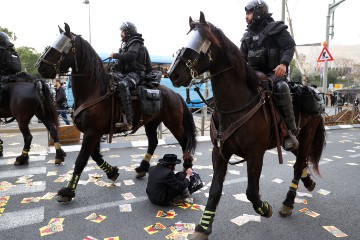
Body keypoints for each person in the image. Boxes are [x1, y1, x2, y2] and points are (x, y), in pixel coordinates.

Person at [240, 0, 298, 151]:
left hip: (274, 74)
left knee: (281, 87)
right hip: (254, 74)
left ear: (258, 12)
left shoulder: (276, 28)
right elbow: (241, 56)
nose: (246, 16)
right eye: (246, 13)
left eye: (249, 13)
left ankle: (289, 132)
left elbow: (289, 46)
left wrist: (283, 64)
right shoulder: (247, 35)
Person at [110, 22, 152, 131]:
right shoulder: (127, 45)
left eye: (123, 32)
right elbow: (123, 64)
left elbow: (131, 56)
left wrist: (116, 55)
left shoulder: (136, 43)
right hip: (127, 73)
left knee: (123, 85)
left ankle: (129, 121)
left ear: (128, 32)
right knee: (109, 79)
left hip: (137, 73)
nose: (121, 34)